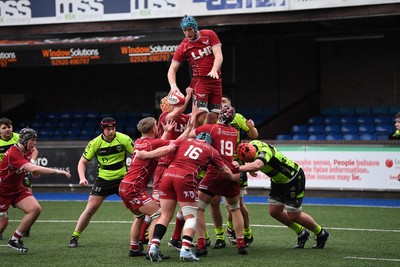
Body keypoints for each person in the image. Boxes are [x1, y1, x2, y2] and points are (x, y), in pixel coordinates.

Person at [135, 132, 238, 262]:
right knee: (191, 216)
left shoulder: (184, 140)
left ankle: (153, 247)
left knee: (165, 215)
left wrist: (146, 155)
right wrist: (233, 177)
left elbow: (166, 149)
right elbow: (225, 170)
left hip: (168, 175)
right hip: (186, 177)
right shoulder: (211, 150)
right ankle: (186, 250)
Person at [235, 141, 330, 249]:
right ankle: (302, 233)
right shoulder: (252, 145)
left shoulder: (264, 152)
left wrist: (239, 168)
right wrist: (250, 167)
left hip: (293, 178)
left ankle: (321, 233)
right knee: (274, 211)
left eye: (250, 160)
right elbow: (255, 163)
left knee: (294, 215)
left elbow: (258, 164)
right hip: (278, 181)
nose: (249, 162)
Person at [189, 105, 248, 256]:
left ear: (219, 115)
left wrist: (195, 117)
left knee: (198, 208)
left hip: (217, 169)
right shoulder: (235, 132)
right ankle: (241, 244)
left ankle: (201, 244)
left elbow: (190, 135)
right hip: (232, 170)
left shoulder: (211, 128)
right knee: (235, 208)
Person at [0, 128, 71, 253]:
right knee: (2, 225)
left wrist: (31, 168)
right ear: (24, 140)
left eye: (35, 140)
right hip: (2, 191)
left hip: (17, 188)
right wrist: (58, 171)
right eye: (32, 140)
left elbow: (33, 155)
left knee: (35, 209)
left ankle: (14, 240)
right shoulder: (13, 153)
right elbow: (32, 167)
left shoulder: (27, 150)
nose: (35, 143)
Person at [139, 88, 193, 247]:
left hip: (179, 164)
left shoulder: (185, 118)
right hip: (165, 164)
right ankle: (143, 237)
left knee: (184, 202)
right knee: (157, 205)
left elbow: (195, 117)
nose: (166, 105)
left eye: (169, 102)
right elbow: (178, 114)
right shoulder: (165, 117)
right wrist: (188, 96)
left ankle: (175, 238)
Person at [68, 117, 134, 248]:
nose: (111, 131)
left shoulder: (124, 139)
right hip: (103, 180)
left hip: (123, 179)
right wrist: (82, 177)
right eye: (108, 129)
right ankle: (75, 236)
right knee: (90, 208)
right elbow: (82, 162)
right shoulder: (95, 143)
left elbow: (138, 155)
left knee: (136, 207)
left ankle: (144, 235)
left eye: (113, 128)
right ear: (103, 129)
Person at [119, 117, 174, 258]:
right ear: (153, 129)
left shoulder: (139, 141)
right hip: (134, 188)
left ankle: (134, 248)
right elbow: (172, 145)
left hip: (124, 186)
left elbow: (157, 145)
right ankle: (152, 251)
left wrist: (166, 132)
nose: (158, 127)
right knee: (159, 215)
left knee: (139, 216)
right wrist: (188, 131)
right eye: (156, 125)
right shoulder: (151, 143)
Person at [209, 95, 258, 248]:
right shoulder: (213, 118)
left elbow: (254, 135)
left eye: (225, 101)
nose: (222, 103)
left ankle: (245, 232)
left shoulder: (237, 118)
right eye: (220, 101)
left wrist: (251, 127)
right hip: (216, 164)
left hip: (235, 164)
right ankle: (219, 236)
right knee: (215, 201)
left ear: (231, 105)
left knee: (237, 205)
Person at [167, 15, 223, 126]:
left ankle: (206, 140)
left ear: (195, 28)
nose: (187, 33)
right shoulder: (183, 46)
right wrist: (173, 86)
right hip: (200, 81)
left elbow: (219, 55)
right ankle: (194, 141)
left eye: (189, 29)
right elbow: (171, 70)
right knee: (200, 114)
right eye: (184, 30)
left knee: (213, 116)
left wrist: (214, 69)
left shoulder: (209, 35)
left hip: (216, 80)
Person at [0, 117, 38, 240]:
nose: (7, 130)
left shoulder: (19, 137)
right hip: (5, 177)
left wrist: (31, 163)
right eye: (4, 128)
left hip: (21, 171)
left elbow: (34, 150)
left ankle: (26, 227)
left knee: (29, 196)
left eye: (9, 127)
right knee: (3, 211)